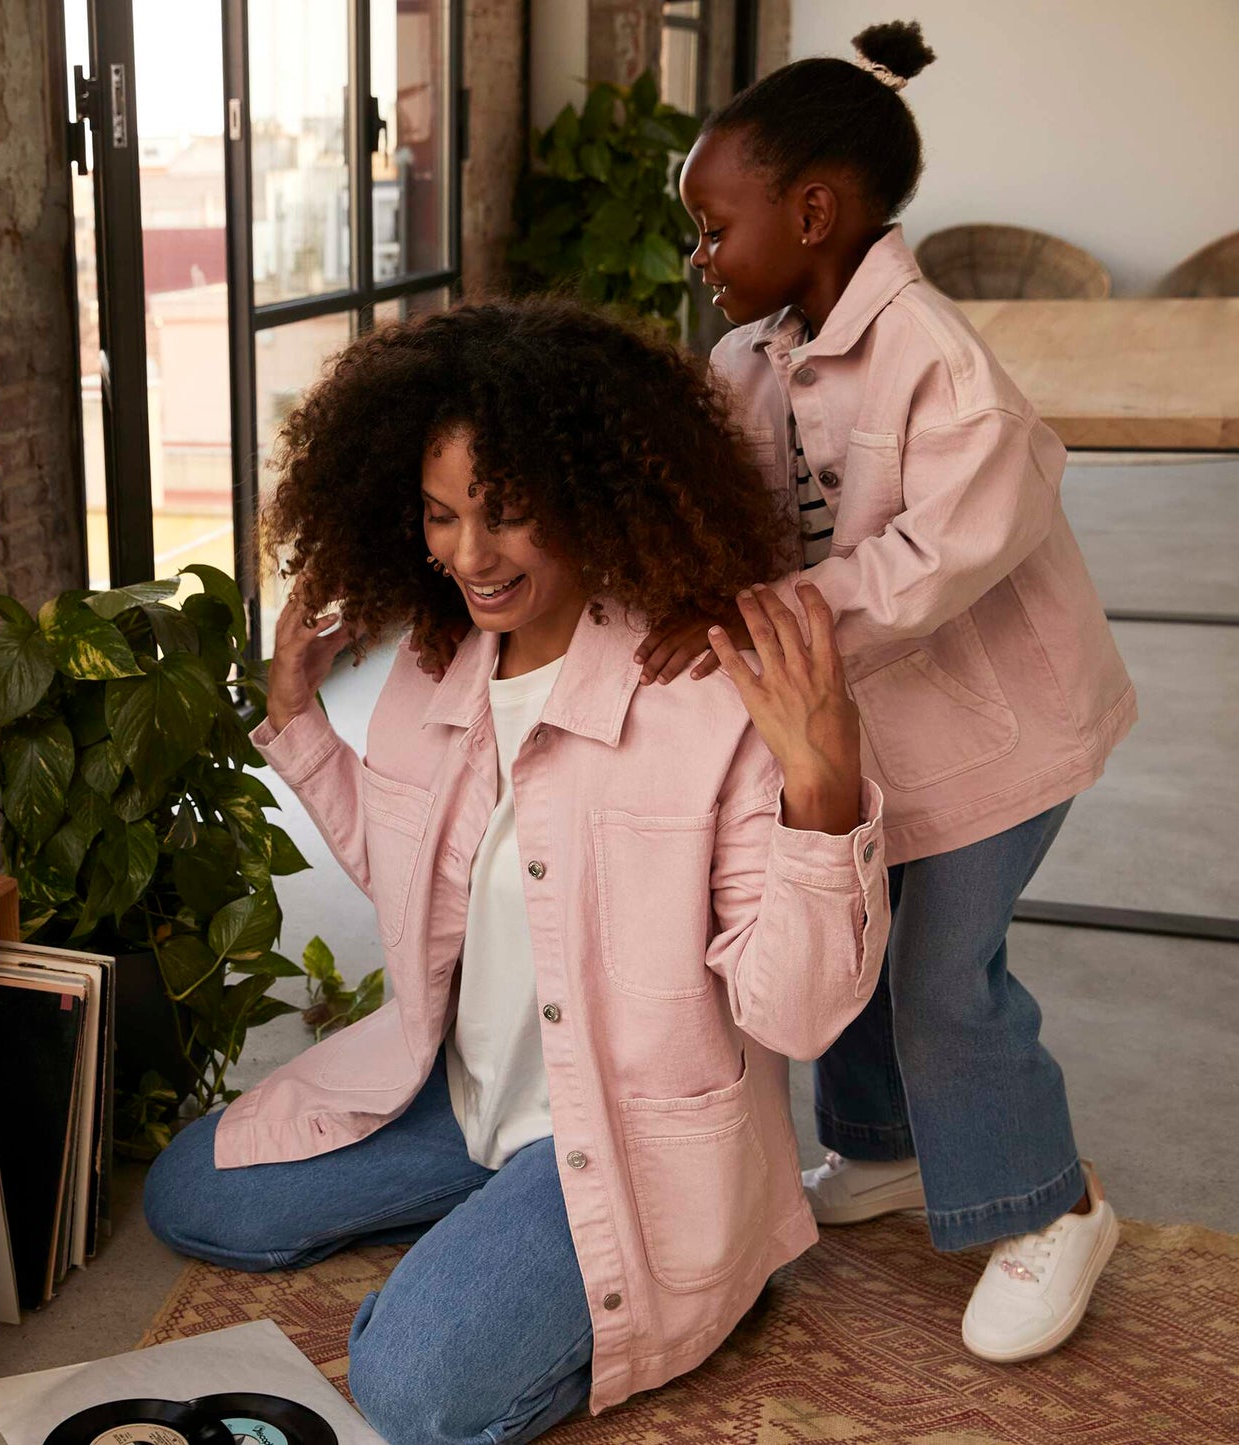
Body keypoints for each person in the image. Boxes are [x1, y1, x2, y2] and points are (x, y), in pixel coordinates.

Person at [144, 297, 890, 1444]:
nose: (466, 556)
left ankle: (693, 1268)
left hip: (622, 1134)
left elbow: (791, 1014)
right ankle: (496, 1224)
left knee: (416, 1388)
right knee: (194, 1189)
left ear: (591, 501)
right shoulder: (437, 662)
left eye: (506, 517)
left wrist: (822, 798)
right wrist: (297, 720)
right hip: (456, 1099)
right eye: (440, 518)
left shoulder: (704, 697)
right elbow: (415, 884)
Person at [637, 19, 1135, 1364]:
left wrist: (772, 614)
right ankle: (881, 1147)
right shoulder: (751, 359)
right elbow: (724, 513)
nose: (700, 258)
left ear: (813, 212)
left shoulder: (941, 366)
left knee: (938, 982)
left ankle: (1055, 1206)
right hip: (866, 737)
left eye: (711, 226)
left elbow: (929, 565)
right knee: (844, 939)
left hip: (999, 736)